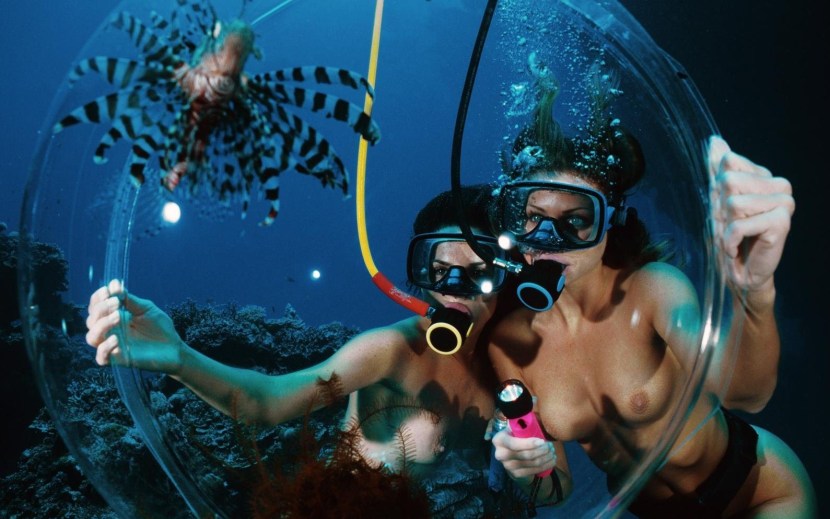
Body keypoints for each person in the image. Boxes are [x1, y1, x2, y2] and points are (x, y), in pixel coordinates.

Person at [486, 80, 817, 518]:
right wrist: (526, 468)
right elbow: (554, 491)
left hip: (758, 489)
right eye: (532, 218)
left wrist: (755, 291)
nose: (549, 239)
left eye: (576, 220)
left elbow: (746, 393)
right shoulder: (508, 346)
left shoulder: (653, 289)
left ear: (609, 221)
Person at [84, 185, 505, 483]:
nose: (455, 288)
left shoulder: (505, 367)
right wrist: (179, 357)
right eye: (439, 272)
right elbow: (267, 402)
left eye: (481, 274)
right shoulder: (392, 350)